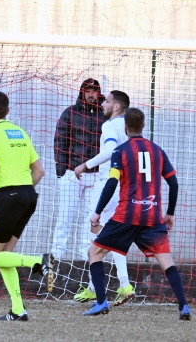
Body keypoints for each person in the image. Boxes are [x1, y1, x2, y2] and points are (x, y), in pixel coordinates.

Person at [83, 108, 190, 320]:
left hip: (126, 216)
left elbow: (112, 182)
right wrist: (169, 213)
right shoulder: (157, 150)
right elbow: (174, 182)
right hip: (152, 216)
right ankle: (184, 307)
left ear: (125, 127)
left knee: (95, 253)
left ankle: (101, 302)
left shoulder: (120, 151)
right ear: (143, 126)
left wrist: (97, 212)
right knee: (166, 260)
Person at [0, 91, 53, 321]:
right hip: (28, 195)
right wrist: (24, 191)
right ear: (8, 111)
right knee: (5, 255)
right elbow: (40, 170)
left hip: (9, 196)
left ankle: (38, 262)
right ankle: (18, 309)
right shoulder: (20, 132)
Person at [72, 90, 133, 304]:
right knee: (109, 236)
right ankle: (113, 285)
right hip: (125, 186)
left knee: (97, 231)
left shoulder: (109, 126)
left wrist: (85, 165)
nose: (102, 104)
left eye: (106, 101)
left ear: (116, 106)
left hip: (108, 183)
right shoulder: (130, 126)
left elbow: (109, 150)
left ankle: (118, 285)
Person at [52, 78, 106, 260]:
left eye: (94, 91)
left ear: (98, 93)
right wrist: (62, 172)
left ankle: (86, 262)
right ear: (82, 92)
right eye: (88, 90)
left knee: (90, 221)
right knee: (64, 219)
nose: (91, 94)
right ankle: (55, 260)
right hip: (72, 174)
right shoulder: (70, 113)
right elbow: (60, 141)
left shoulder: (104, 115)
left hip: (96, 175)